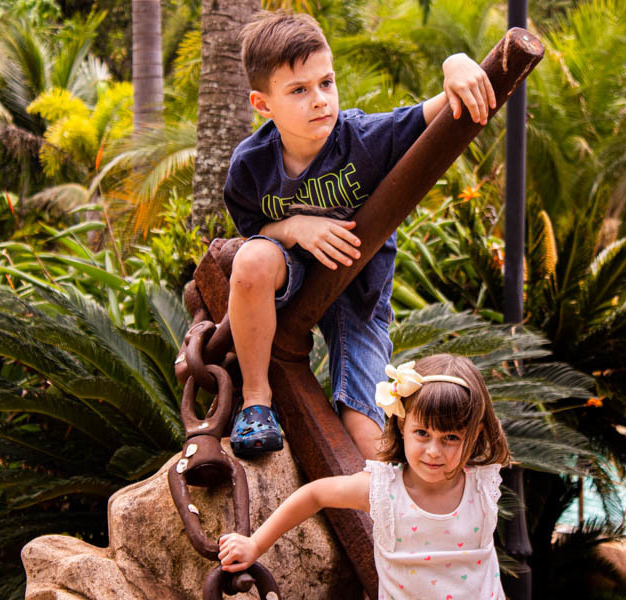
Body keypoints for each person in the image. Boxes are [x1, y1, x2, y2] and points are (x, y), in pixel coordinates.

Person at [223, 11, 497, 459]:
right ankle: (257, 404)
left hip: (358, 291)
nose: (319, 100)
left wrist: (457, 63)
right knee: (251, 261)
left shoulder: (363, 138)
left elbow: (439, 111)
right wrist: (294, 227)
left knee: (368, 436)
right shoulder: (250, 167)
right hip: (289, 274)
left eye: (326, 83)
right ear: (262, 104)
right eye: (299, 90)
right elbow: (254, 232)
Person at [218, 354, 511, 599]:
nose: (434, 451)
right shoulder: (384, 491)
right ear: (401, 424)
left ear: (474, 437)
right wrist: (255, 545)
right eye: (422, 433)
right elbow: (316, 494)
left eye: (451, 437)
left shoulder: (482, 486)